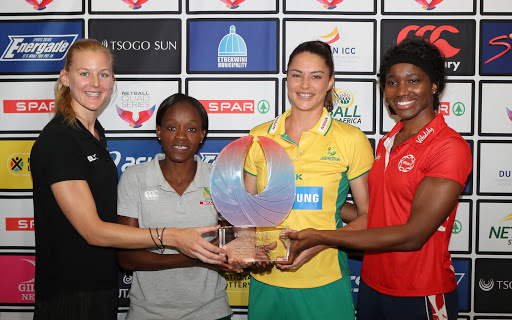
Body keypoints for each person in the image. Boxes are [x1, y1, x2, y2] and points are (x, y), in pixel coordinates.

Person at [30, 39, 226, 320]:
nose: (95, 83)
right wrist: (171, 236)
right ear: (65, 78)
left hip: (99, 287)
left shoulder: (94, 134)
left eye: (103, 74)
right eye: (84, 73)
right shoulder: (59, 141)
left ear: (112, 81)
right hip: (69, 292)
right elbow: (92, 230)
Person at [283, 37, 473, 319]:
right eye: (392, 82)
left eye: (413, 80)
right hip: (373, 287)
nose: (401, 90)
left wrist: (321, 237)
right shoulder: (388, 141)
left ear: (434, 85)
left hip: (420, 292)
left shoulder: (449, 147)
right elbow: (377, 213)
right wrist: (307, 195)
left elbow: (413, 235)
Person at [243, 40, 374, 320]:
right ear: (287, 77)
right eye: (296, 74)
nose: (305, 84)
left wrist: (320, 242)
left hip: (325, 281)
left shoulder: (351, 139)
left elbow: (369, 217)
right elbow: (244, 211)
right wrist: (247, 247)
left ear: (330, 82)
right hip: (267, 282)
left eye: (316, 76)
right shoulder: (258, 136)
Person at [116, 93, 234, 320]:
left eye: (190, 129)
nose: (181, 137)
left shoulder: (218, 179)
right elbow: (126, 257)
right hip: (147, 314)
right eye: (171, 128)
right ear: (158, 131)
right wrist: (192, 255)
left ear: (202, 135)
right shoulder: (135, 178)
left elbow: (228, 242)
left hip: (211, 312)